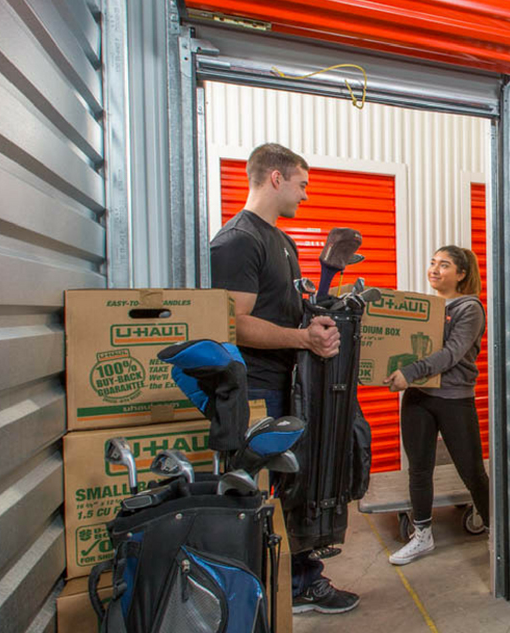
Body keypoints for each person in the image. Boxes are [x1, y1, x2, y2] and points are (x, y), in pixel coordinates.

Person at [210, 143, 360, 614]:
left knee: (296, 485)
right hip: (255, 388)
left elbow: (290, 310)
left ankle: (297, 582)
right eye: (302, 185)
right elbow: (233, 322)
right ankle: (270, 590)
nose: (306, 196)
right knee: (263, 491)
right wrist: (302, 338)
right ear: (275, 178)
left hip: (288, 382)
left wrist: (320, 319)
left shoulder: (282, 239)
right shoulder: (238, 240)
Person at [384, 245, 490, 566]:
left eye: (444, 265)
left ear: (461, 274)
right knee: (419, 470)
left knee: (471, 471)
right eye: (432, 263)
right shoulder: (426, 308)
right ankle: (422, 536)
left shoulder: (469, 309)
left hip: (454, 401)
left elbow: (451, 354)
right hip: (419, 398)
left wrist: (410, 371)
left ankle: (497, 532)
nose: (434, 269)